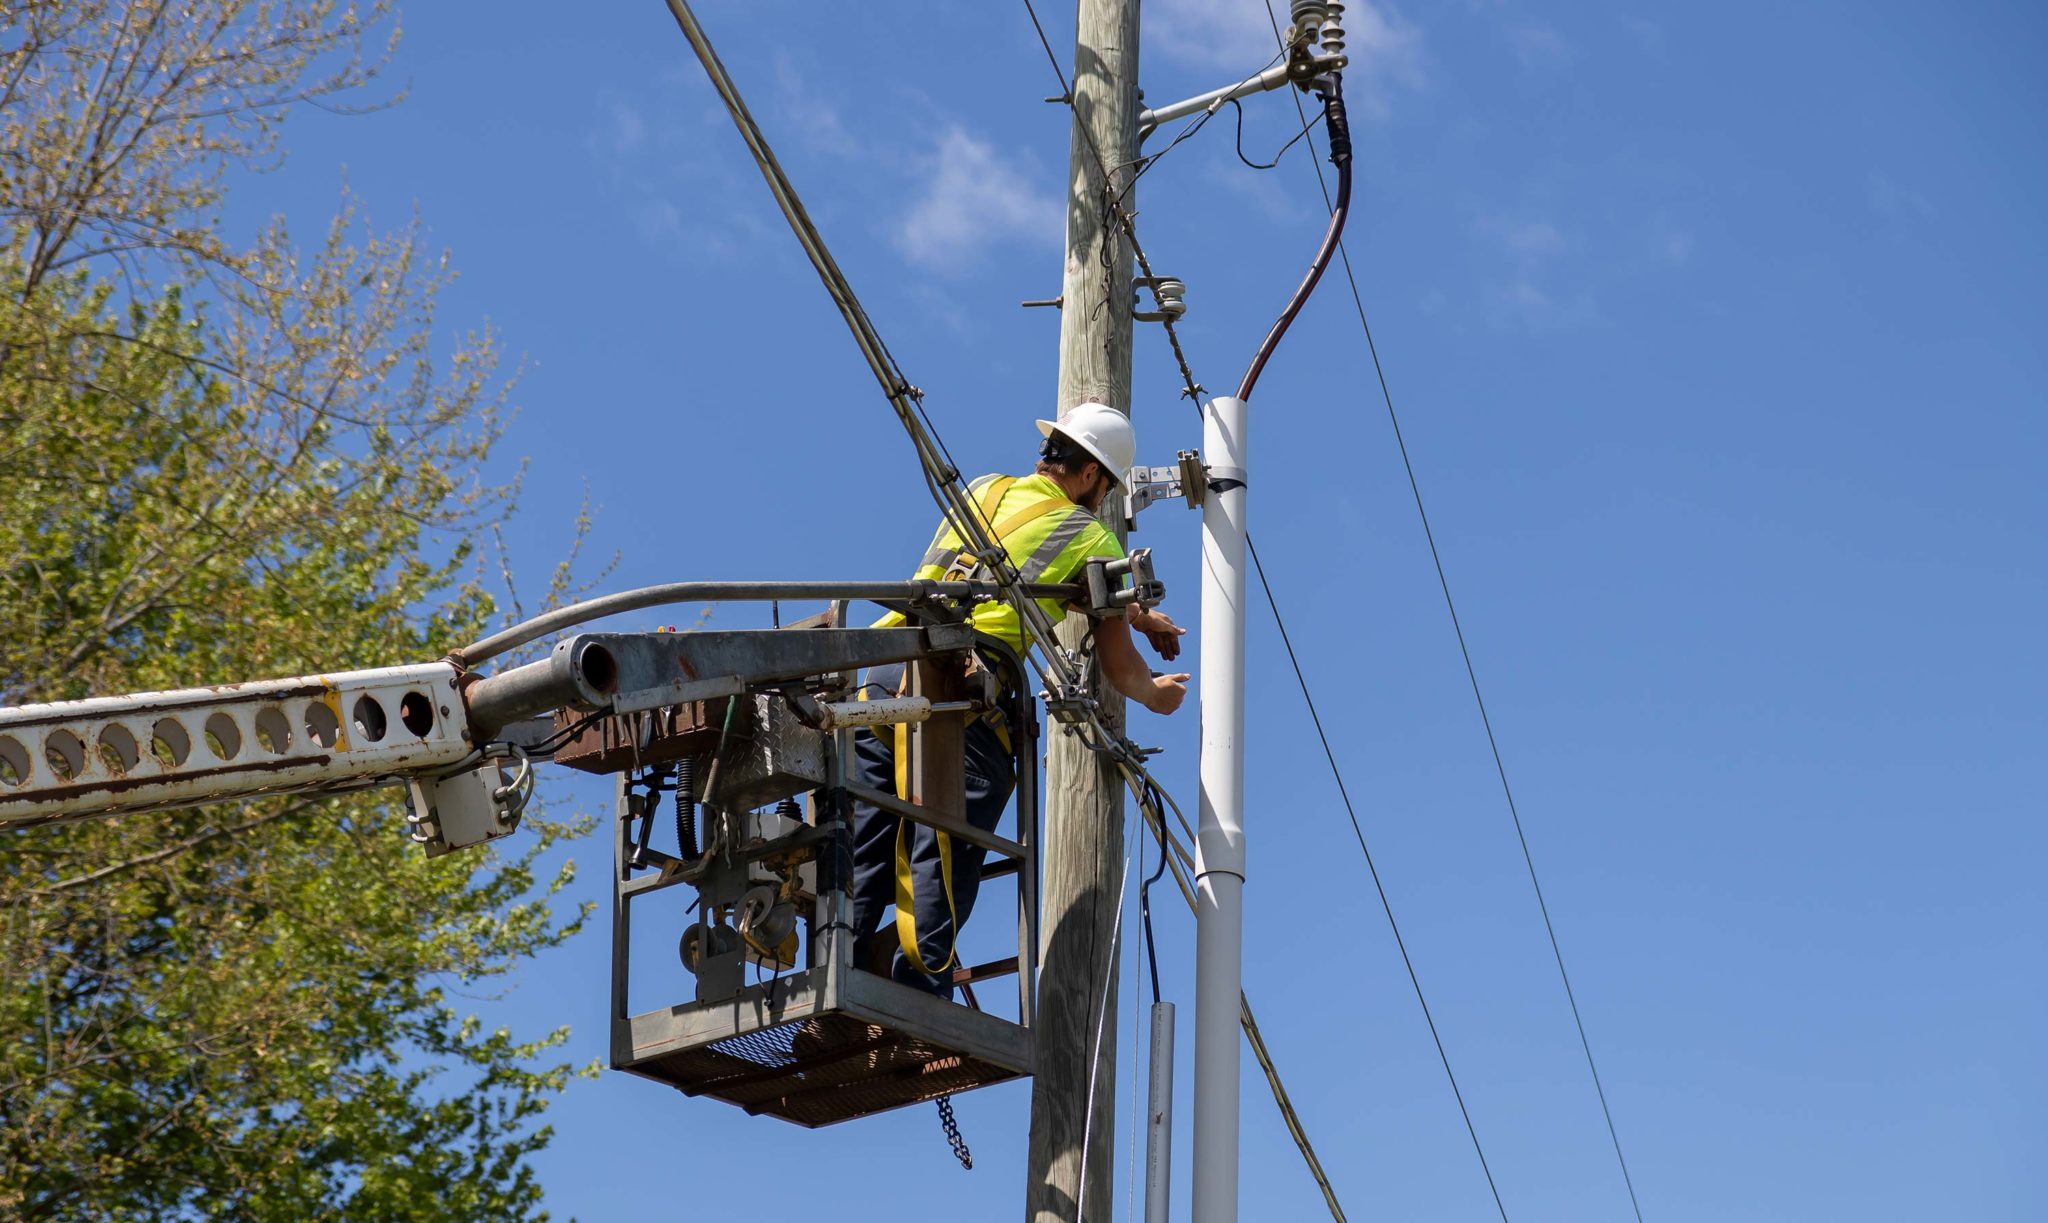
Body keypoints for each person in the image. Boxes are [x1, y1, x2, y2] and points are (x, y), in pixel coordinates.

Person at [847, 403, 1191, 998]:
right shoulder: (1091, 534)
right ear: (1090, 476)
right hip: (955, 689)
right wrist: (1157, 697)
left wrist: (1135, 612)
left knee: (866, 843)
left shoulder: (987, 488)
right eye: (1105, 486)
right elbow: (1119, 668)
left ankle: (837, 971)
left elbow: (1011, 568)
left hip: (880, 668)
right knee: (946, 842)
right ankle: (920, 992)